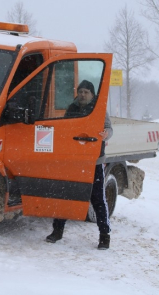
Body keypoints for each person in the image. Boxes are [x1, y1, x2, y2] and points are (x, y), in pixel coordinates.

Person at [45, 80, 113, 250]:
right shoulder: (72, 108)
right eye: (80, 91)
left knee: (97, 199)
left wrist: (106, 134)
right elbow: (65, 128)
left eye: (86, 92)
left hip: (93, 160)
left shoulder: (99, 108)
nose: (82, 94)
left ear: (92, 94)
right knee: (65, 195)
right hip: (73, 160)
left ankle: (104, 236)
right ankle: (57, 231)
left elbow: (109, 128)